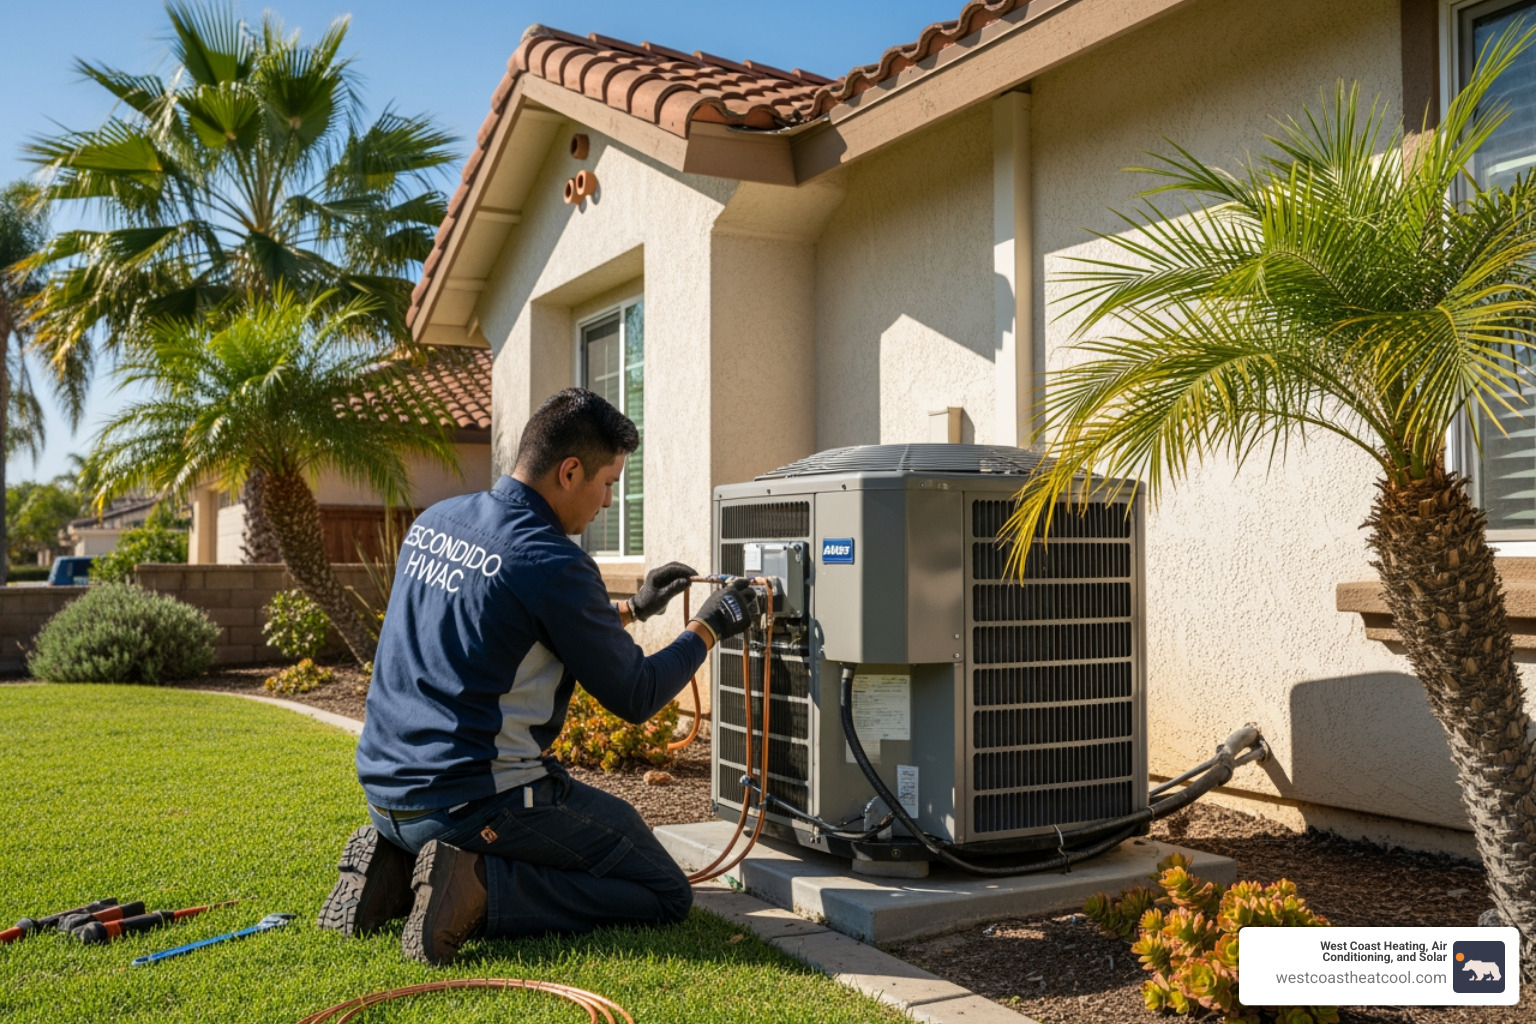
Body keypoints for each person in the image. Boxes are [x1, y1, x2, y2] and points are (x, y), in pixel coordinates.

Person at [317, 387, 762, 964]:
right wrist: (710, 626)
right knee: (663, 889)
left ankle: (393, 866)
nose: (607, 502)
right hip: (472, 805)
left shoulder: (437, 520)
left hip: (384, 794)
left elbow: (509, 620)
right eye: (608, 484)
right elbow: (636, 694)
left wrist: (633, 609)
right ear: (570, 472)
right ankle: (476, 889)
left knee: (608, 829)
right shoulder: (553, 560)